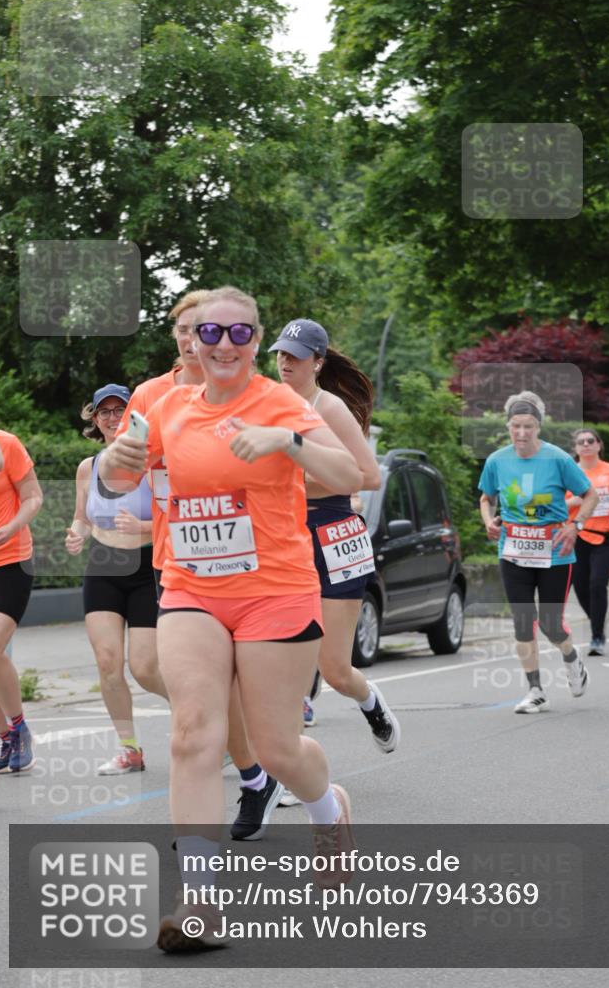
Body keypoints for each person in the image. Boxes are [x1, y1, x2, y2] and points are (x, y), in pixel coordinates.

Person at [100, 286, 363, 951]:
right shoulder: (163, 407)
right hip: (190, 587)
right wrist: (111, 463)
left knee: (277, 749)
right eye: (209, 333)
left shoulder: (282, 403)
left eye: (239, 335)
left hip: (274, 590)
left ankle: (328, 809)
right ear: (191, 339)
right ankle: (202, 904)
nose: (221, 346)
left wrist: (288, 439)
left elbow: (352, 472)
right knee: (192, 733)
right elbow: (113, 475)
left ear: (256, 341)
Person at [115, 291, 282, 842]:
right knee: (167, 682)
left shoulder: (246, 393)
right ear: (176, 336)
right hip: (178, 561)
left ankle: (251, 782)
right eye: (185, 330)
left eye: (204, 330)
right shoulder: (151, 396)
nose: (194, 340)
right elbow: (123, 477)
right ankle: (244, 782)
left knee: (214, 704)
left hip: (253, 567)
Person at [270, 318, 400, 752]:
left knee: (335, 668)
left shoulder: (329, 409)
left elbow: (367, 477)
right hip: (283, 535)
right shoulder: (264, 405)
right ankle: (286, 768)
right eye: (281, 354)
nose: (286, 362)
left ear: (319, 363)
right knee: (284, 659)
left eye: (297, 356)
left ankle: (370, 702)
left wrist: (299, 481)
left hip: (333, 531)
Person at [65, 385, 167, 774]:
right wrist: (76, 532)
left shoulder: (152, 463)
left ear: (131, 417)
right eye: (103, 412)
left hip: (144, 568)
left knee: (145, 668)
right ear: (94, 419)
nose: (110, 418)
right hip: (103, 566)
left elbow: (174, 517)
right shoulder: (88, 468)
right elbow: (83, 516)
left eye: (118, 410)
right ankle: (129, 750)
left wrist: (141, 524)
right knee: (108, 663)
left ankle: (207, 718)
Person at [478, 392, 598, 714]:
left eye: (528, 426)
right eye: (515, 426)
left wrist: (576, 525)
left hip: (555, 553)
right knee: (522, 621)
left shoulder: (557, 459)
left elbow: (590, 494)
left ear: (538, 427)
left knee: (550, 625)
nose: (521, 433)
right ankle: (535, 690)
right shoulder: (497, 460)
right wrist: (489, 522)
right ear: (508, 426)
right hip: (513, 551)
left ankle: (571, 657)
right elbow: (486, 498)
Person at [0, 425, 43, 775]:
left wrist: (13, 526)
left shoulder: (5, 443)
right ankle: (6, 736)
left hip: (9, 560)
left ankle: (19, 726)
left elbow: (33, 496)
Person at [566, 429, 609, 656]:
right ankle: (597, 619)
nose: (586, 445)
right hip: (576, 534)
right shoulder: (568, 473)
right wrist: (576, 501)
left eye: (590, 441)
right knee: (581, 586)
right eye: (581, 442)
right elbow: (556, 506)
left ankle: (597, 636)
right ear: (575, 448)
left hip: (607, 535)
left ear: (598, 445)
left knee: (597, 583)